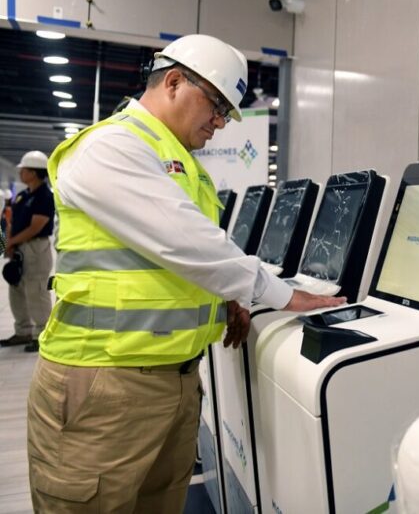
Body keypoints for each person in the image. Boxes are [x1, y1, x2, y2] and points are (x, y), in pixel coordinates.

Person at [27, 34, 345, 513]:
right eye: (216, 106)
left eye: (227, 113)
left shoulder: (184, 166)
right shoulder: (112, 147)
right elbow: (182, 241)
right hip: (102, 386)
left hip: (175, 383)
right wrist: (280, 294)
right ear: (174, 81)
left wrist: (227, 300)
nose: (219, 123)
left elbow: (167, 263)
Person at [1, 151, 55, 353]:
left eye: (24, 170)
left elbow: (36, 226)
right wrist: (8, 243)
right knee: (17, 289)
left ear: (34, 172)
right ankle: (23, 331)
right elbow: (12, 221)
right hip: (19, 247)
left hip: (35, 247)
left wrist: (11, 242)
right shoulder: (24, 195)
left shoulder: (44, 196)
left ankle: (42, 334)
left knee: (36, 291)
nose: (21, 173)